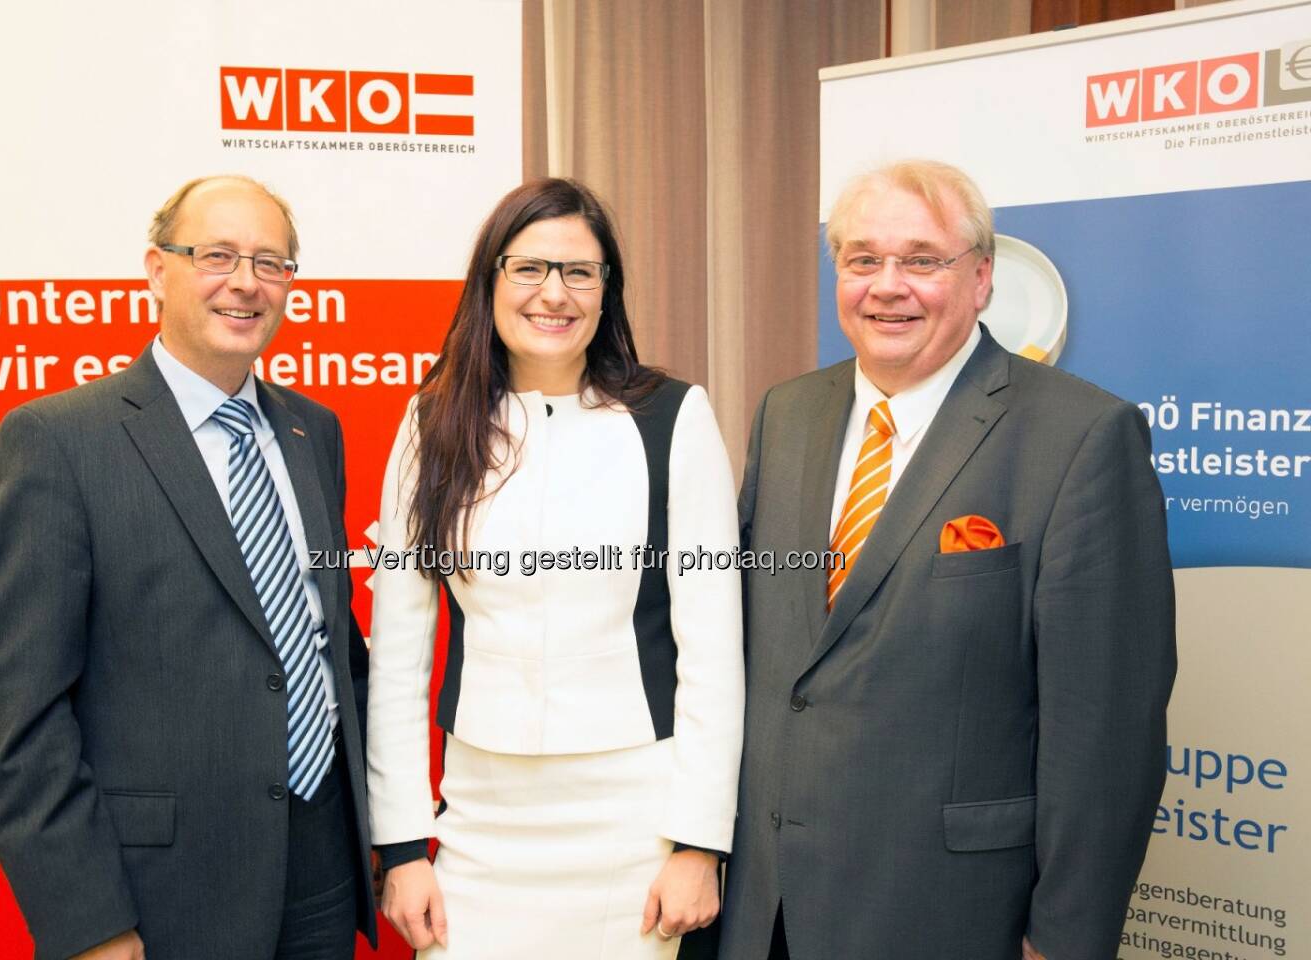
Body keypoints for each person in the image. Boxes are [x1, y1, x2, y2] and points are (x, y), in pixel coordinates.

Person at [719, 159, 1176, 960]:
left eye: (922, 260)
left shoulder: (1080, 438)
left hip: (951, 914)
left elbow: (1105, 731)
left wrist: (1065, 938)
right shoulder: (786, 412)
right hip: (770, 906)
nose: (887, 285)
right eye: (862, 259)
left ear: (982, 279)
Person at [0, 175, 375, 960]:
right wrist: (88, 921)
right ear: (158, 269)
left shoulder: (312, 431)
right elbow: (22, 715)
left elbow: (331, 647)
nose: (245, 282)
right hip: (162, 894)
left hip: (322, 867)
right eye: (216, 255)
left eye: (272, 262)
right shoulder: (61, 441)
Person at [367, 177, 744, 959]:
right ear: (491, 282)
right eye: (529, 267)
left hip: (633, 821)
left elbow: (713, 653)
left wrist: (699, 843)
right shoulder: (432, 422)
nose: (555, 293)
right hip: (479, 821)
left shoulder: (672, 417)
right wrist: (403, 849)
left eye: (580, 271)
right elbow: (398, 657)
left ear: (608, 292)